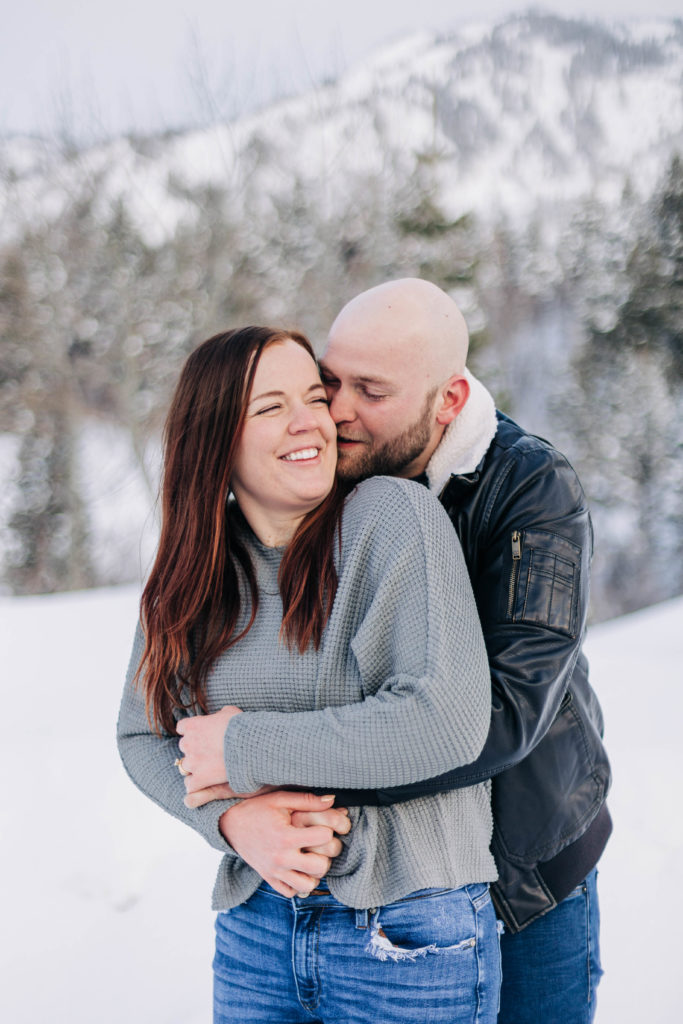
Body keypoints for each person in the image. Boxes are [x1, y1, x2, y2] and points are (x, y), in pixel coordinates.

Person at [187, 281, 612, 1024]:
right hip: (381, 888)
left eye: (370, 391)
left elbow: (499, 717)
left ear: (447, 401)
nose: (337, 409)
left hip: (525, 868)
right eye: (330, 380)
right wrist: (231, 814)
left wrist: (266, 766)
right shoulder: (329, 469)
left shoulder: (531, 491)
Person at [117, 325, 501, 1024]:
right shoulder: (195, 570)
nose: (310, 422)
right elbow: (142, 736)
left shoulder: (389, 517)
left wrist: (243, 750)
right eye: (270, 407)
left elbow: (444, 720)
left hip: (406, 929)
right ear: (216, 441)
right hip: (257, 926)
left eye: (313, 397)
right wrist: (231, 820)